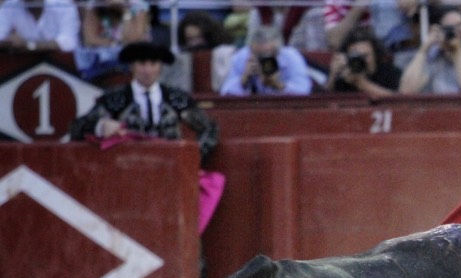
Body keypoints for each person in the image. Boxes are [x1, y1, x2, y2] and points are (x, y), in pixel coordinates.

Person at [69, 41, 219, 165]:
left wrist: (189, 157)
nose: (147, 70)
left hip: (169, 170)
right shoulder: (115, 99)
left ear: (160, 67)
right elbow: (77, 128)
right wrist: (101, 126)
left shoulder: (176, 98)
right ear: (132, 66)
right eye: (142, 63)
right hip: (127, 170)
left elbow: (209, 129)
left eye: (153, 63)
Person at [399, 7, 461, 94]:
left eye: (460, 25)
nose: (456, 31)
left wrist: (457, 52)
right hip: (440, 112)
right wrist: (424, 49)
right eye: (449, 28)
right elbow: (406, 90)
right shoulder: (434, 55)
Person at [220, 25, 313, 96]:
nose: (262, 59)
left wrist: (277, 85)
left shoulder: (291, 57)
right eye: (257, 54)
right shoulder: (243, 56)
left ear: (277, 51)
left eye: (267, 54)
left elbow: (304, 90)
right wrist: (244, 79)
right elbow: (225, 91)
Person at [325, 26, 401, 99]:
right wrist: (332, 77)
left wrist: (362, 84)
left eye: (365, 56)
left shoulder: (390, 72)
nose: (361, 60)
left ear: (375, 55)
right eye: (356, 56)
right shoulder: (344, 77)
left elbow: (399, 101)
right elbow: (324, 102)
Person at [0, 0, 80, 52]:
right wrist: (10, 41)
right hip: (22, 66)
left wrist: (29, 45)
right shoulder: (9, 6)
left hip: (59, 67)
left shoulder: (63, 4)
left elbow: (69, 43)